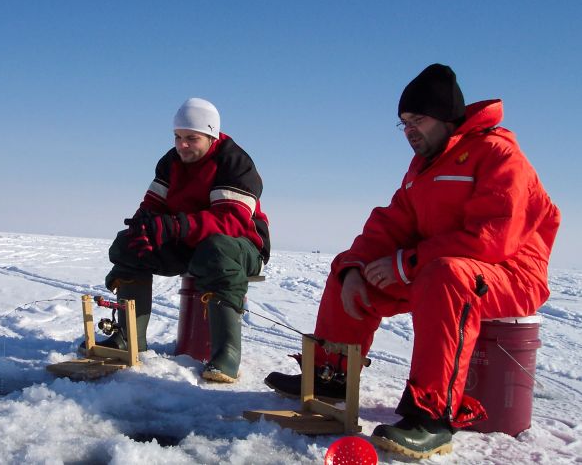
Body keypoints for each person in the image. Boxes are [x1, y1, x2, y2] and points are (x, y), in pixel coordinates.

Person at [264, 64, 560, 458]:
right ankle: (331, 376)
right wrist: (355, 265)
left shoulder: (499, 155)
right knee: (349, 273)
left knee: (447, 275)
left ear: (447, 117)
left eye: (417, 119)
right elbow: (390, 224)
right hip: (436, 270)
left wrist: (408, 263)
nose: (408, 130)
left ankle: (433, 416)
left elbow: (496, 236)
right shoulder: (423, 170)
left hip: (511, 274)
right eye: (403, 122)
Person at [99, 97, 270, 383]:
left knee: (216, 249)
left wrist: (176, 226)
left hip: (242, 247)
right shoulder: (171, 162)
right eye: (178, 137)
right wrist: (146, 226)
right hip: (190, 242)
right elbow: (152, 205)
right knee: (129, 243)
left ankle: (225, 354)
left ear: (211, 135)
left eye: (192, 138)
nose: (182, 145)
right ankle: (129, 339)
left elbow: (231, 221)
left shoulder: (233, 162)